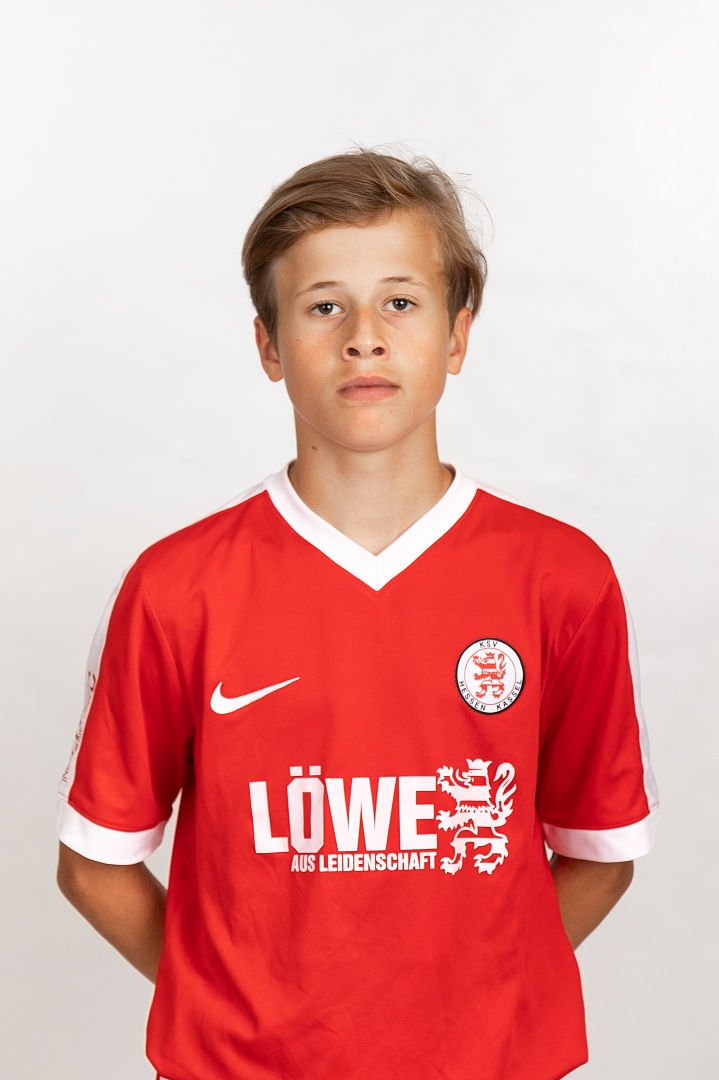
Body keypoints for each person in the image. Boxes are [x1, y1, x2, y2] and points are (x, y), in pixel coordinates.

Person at [56, 149, 658, 1080]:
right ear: (268, 346)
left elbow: (599, 850)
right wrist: (236, 1004)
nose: (364, 338)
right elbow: (96, 863)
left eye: (401, 302)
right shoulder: (177, 588)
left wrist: (469, 1000)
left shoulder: (561, 579)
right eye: (323, 306)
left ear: (457, 337)